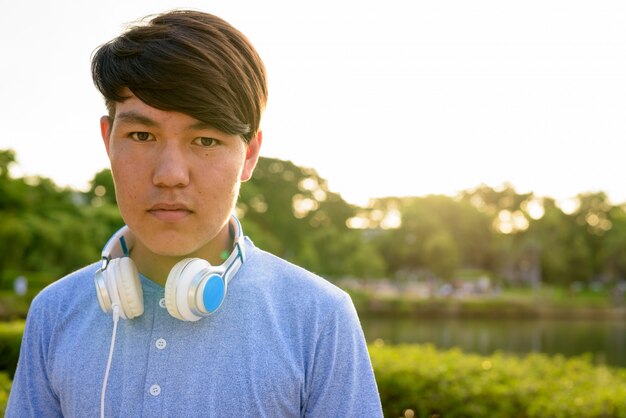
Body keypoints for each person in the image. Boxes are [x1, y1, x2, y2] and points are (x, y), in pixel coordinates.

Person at [6, 9, 383, 418]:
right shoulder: (54, 312)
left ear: (249, 155)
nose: (170, 175)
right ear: (107, 139)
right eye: (142, 135)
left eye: (205, 139)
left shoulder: (319, 318)